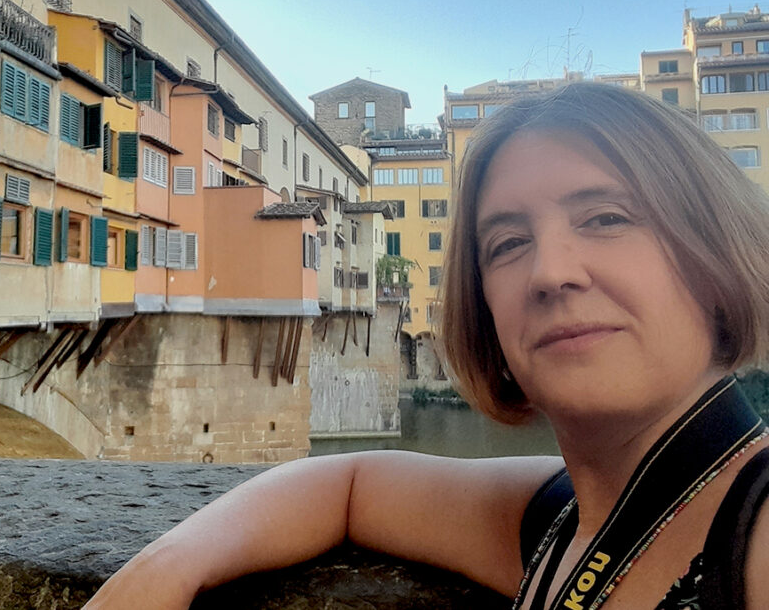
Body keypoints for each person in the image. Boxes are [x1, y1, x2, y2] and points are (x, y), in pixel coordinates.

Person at [85, 82, 769, 610]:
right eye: (508, 244)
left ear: (714, 255)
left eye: (607, 218)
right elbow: (350, 484)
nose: (551, 271)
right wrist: (166, 566)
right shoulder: (559, 520)